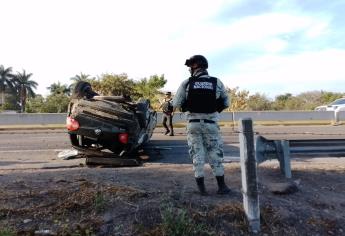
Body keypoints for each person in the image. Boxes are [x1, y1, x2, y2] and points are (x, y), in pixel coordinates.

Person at [173, 55, 230, 196]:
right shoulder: (217, 82)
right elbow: (226, 102)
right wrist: (213, 109)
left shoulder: (186, 83)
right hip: (211, 124)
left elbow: (176, 104)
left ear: (195, 66)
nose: (189, 70)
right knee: (215, 154)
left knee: (196, 154)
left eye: (190, 67)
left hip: (193, 124)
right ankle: (222, 187)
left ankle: (202, 189)